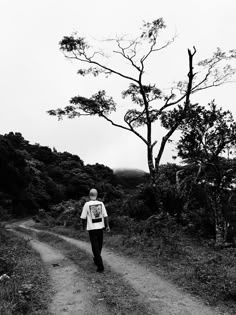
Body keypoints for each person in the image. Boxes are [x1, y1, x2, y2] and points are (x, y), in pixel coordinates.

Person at [80, 188, 110, 272]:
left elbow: (83, 217)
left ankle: (100, 266)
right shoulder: (101, 203)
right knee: (99, 246)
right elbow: (105, 216)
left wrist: (83, 227)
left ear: (89, 195)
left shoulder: (87, 204)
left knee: (95, 247)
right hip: (100, 228)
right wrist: (107, 226)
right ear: (96, 195)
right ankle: (97, 260)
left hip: (92, 229)